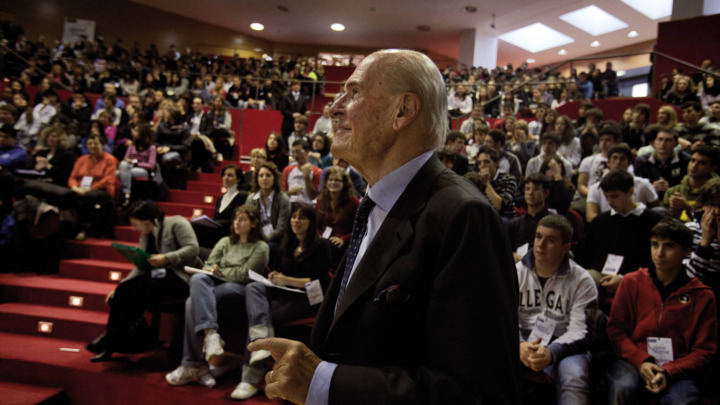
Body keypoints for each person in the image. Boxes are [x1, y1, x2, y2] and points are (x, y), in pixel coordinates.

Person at [247, 49, 519, 405]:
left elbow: (476, 392)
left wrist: (325, 383)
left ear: (403, 110)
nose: (334, 106)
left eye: (355, 92)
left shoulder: (464, 216)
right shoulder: (374, 203)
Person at [606, 219, 717, 404]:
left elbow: (705, 350)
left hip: (679, 368)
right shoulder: (631, 282)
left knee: (681, 400)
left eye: (669, 246)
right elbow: (616, 330)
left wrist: (670, 371)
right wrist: (641, 360)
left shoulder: (702, 295)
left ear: (687, 251)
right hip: (633, 360)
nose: (659, 253)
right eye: (654, 245)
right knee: (623, 387)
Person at [233, 203, 332, 399]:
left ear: (311, 222)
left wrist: (287, 280)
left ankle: (251, 377)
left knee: (263, 316)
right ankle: (259, 341)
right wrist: (275, 277)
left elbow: (320, 281)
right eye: (294, 217)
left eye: (302, 217)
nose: (296, 221)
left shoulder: (321, 245)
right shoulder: (287, 244)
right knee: (253, 287)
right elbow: (279, 272)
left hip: (309, 299)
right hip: (283, 294)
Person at [166, 204, 269, 388]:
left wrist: (220, 271)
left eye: (243, 219)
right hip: (218, 285)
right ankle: (211, 335)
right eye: (236, 219)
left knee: (193, 300)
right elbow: (208, 265)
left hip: (241, 290)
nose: (237, 223)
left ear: (253, 223)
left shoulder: (260, 246)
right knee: (197, 282)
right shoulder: (225, 242)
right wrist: (211, 269)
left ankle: (192, 364)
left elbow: (244, 275)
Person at [86, 200, 203, 362]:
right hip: (159, 278)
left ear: (149, 221)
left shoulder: (177, 223)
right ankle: (111, 337)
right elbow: (141, 266)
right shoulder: (146, 236)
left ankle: (113, 338)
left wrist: (167, 258)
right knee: (124, 289)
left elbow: (192, 249)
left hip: (182, 277)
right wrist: (121, 284)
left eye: (136, 224)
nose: (134, 229)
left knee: (144, 288)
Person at [517, 215, 597, 404]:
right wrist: (518, 345)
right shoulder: (516, 272)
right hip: (522, 342)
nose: (540, 244)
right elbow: (503, 318)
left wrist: (551, 352)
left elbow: (582, 332)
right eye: (538, 237)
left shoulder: (582, 281)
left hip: (565, 345)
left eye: (550, 240)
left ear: (566, 247)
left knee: (574, 375)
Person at [580, 170, 664, 297]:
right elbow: (586, 254)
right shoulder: (600, 221)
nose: (610, 202)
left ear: (630, 192)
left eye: (614, 196)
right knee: (585, 280)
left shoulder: (653, 221)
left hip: (637, 277)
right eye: (606, 197)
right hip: (600, 274)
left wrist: (625, 278)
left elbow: (653, 260)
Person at [586, 144, 659, 223]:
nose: (618, 162)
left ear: (629, 163)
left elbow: (658, 207)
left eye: (622, 159)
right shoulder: (595, 187)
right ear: (608, 162)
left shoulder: (643, 183)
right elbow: (591, 216)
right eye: (614, 158)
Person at [67, 133, 118, 240]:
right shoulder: (81, 159)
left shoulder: (110, 159)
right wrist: (75, 187)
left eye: (96, 143)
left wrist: (90, 189)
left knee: (87, 197)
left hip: (102, 190)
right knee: (68, 195)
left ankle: (82, 228)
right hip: (81, 189)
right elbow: (72, 177)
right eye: (90, 144)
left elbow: (108, 179)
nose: (93, 146)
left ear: (102, 145)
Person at [191, 165, 248, 248]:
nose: (225, 178)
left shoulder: (242, 195)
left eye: (230, 175)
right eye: (224, 175)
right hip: (216, 230)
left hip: (229, 231)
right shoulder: (220, 198)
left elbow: (236, 218)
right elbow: (215, 218)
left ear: (238, 179)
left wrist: (216, 223)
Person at [315, 166, 360, 267]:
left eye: (337, 180)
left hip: (343, 243)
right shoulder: (321, 200)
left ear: (344, 183)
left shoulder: (352, 202)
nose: (333, 182)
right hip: (323, 240)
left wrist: (344, 239)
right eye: (330, 179)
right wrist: (319, 236)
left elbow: (361, 227)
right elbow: (315, 224)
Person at [664, 145, 720, 221]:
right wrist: (674, 212)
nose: (694, 166)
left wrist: (689, 208)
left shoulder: (716, 193)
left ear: (713, 168)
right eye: (693, 160)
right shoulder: (673, 191)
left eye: (701, 163)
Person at [245, 161, 291, 246]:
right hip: (256, 238)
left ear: (274, 178)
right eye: (261, 176)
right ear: (257, 179)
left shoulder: (283, 198)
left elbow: (281, 228)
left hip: (277, 240)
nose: (264, 178)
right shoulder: (251, 199)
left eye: (268, 175)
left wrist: (264, 240)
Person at [116, 123, 158, 207]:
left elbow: (151, 165)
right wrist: (128, 162)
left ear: (142, 133)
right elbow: (126, 158)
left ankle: (125, 193)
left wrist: (136, 163)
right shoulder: (132, 146)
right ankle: (126, 194)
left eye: (135, 131)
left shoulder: (151, 148)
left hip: (143, 170)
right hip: (129, 168)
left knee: (121, 173)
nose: (132, 132)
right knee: (118, 170)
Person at [282, 139, 321, 204]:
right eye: (293, 152)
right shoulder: (287, 170)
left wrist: (307, 177)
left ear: (307, 152)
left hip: (309, 206)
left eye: (298, 151)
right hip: (291, 204)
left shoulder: (317, 171)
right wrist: (290, 192)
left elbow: (313, 197)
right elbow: (282, 194)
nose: (295, 155)